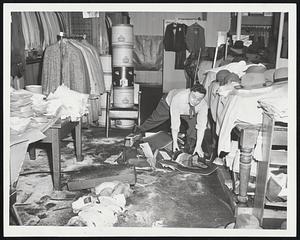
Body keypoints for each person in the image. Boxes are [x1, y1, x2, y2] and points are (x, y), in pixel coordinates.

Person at [132, 83, 208, 157]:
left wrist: (199, 145)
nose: (195, 101)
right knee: (155, 119)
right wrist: (175, 143)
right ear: (190, 92)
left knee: (194, 127)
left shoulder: (204, 105)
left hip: (189, 111)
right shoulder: (178, 98)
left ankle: (190, 147)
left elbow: (201, 127)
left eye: (199, 99)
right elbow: (175, 123)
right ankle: (138, 130)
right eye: (193, 97)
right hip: (168, 103)